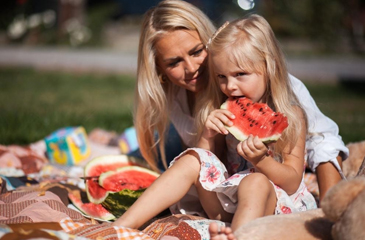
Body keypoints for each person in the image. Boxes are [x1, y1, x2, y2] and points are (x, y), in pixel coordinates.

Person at [114, 14, 318, 233]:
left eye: (240, 74)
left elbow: (292, 182)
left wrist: (262, 160)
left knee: (255, 181)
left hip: (275, 207)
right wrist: (207, 136)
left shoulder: (291, 115)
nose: (229, 86)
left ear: (269, 67)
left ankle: (237, 237)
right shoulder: (223, 107)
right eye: (221, 76)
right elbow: (208, 164)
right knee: (193, 159)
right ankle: (122, 226)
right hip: (225, 206)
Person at [129, 0, 347, 204]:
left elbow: (322, 140)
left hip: (280, 174)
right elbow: (204, 161)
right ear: (160, 70)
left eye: (197, 51)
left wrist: (329, 212)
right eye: (174, 62)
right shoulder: (175, 97)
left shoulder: (274, 87)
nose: (191, 68)